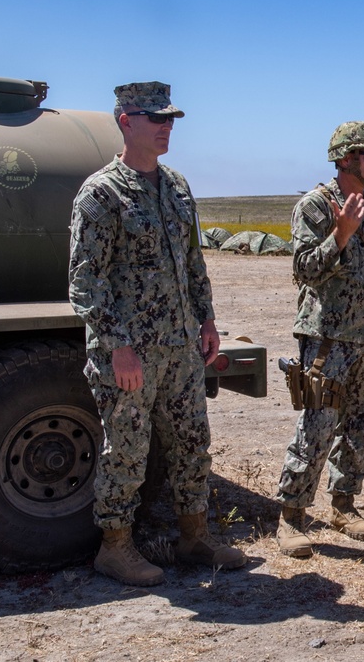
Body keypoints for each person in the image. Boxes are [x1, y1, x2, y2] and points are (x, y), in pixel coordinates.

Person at [69, 81, 246, 586]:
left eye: (171, 118)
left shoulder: (177, 185)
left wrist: (207, 320)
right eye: (156, 118)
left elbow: (193, 261)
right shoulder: (102, 192)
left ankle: (195, 536)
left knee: (193, 443)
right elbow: (85, 281)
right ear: (126, 120)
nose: (167, 127)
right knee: (126, 448)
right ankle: (116, 548)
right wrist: (118, 347)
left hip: (181, 347)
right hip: (130, 354)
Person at [274, 121, 364, 558]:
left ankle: (344, 505)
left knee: (360, 425)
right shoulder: (316, 206)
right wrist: (341, 232)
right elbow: (305, 269)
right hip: (327, 338)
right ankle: (291, 515)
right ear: (345, 157)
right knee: (317, 426)